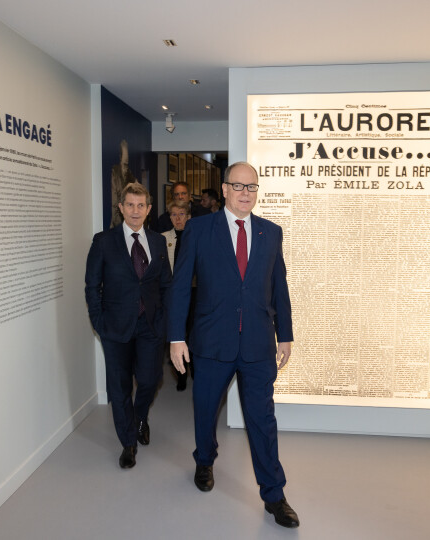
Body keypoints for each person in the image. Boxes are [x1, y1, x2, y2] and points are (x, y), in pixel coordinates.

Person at [168, 162, 300, 528]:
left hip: (258, 344)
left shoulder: (270, 233)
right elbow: (180, 286)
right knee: (206, 410)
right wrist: (176, 337)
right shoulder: (198, 229)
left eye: (252, 187)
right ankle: (205, 459)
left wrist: (285, 334)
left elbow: (280, 287)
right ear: (224, 189)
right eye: (238, 186)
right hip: (211, 343)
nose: (246, 193)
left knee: (263, 421)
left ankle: (274, 495)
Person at [85, 182, 171, 469]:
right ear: (121, 208)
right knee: (120, 387)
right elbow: (91, 286)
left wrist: (165, 319)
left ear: (148, 209)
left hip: (150, 326)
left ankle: (141, 416)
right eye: (130, 205)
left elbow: (166, 284)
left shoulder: (158, 242)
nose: (135, 211)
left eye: (141, 205)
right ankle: (128, 442)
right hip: (116, 328)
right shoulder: (103, 241)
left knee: (149, 379)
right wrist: (99, 322)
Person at [161, 199, 194, 390]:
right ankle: (180, 375)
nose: (178, 219)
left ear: (188, 216)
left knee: (193, 335)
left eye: (181, 214)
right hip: (172, 294)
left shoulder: (196, 237)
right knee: (176, 335)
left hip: (194, 293)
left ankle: (195, 370)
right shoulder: (163, 238)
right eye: (174, 215)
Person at [109, 140, 138, 228]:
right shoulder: (115, 172)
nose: (126, 168)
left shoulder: (129, 174)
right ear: (120, 157)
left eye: (127, 164)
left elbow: (139, 189)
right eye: (124, 164)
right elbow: (114, 204)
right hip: (117, 221)